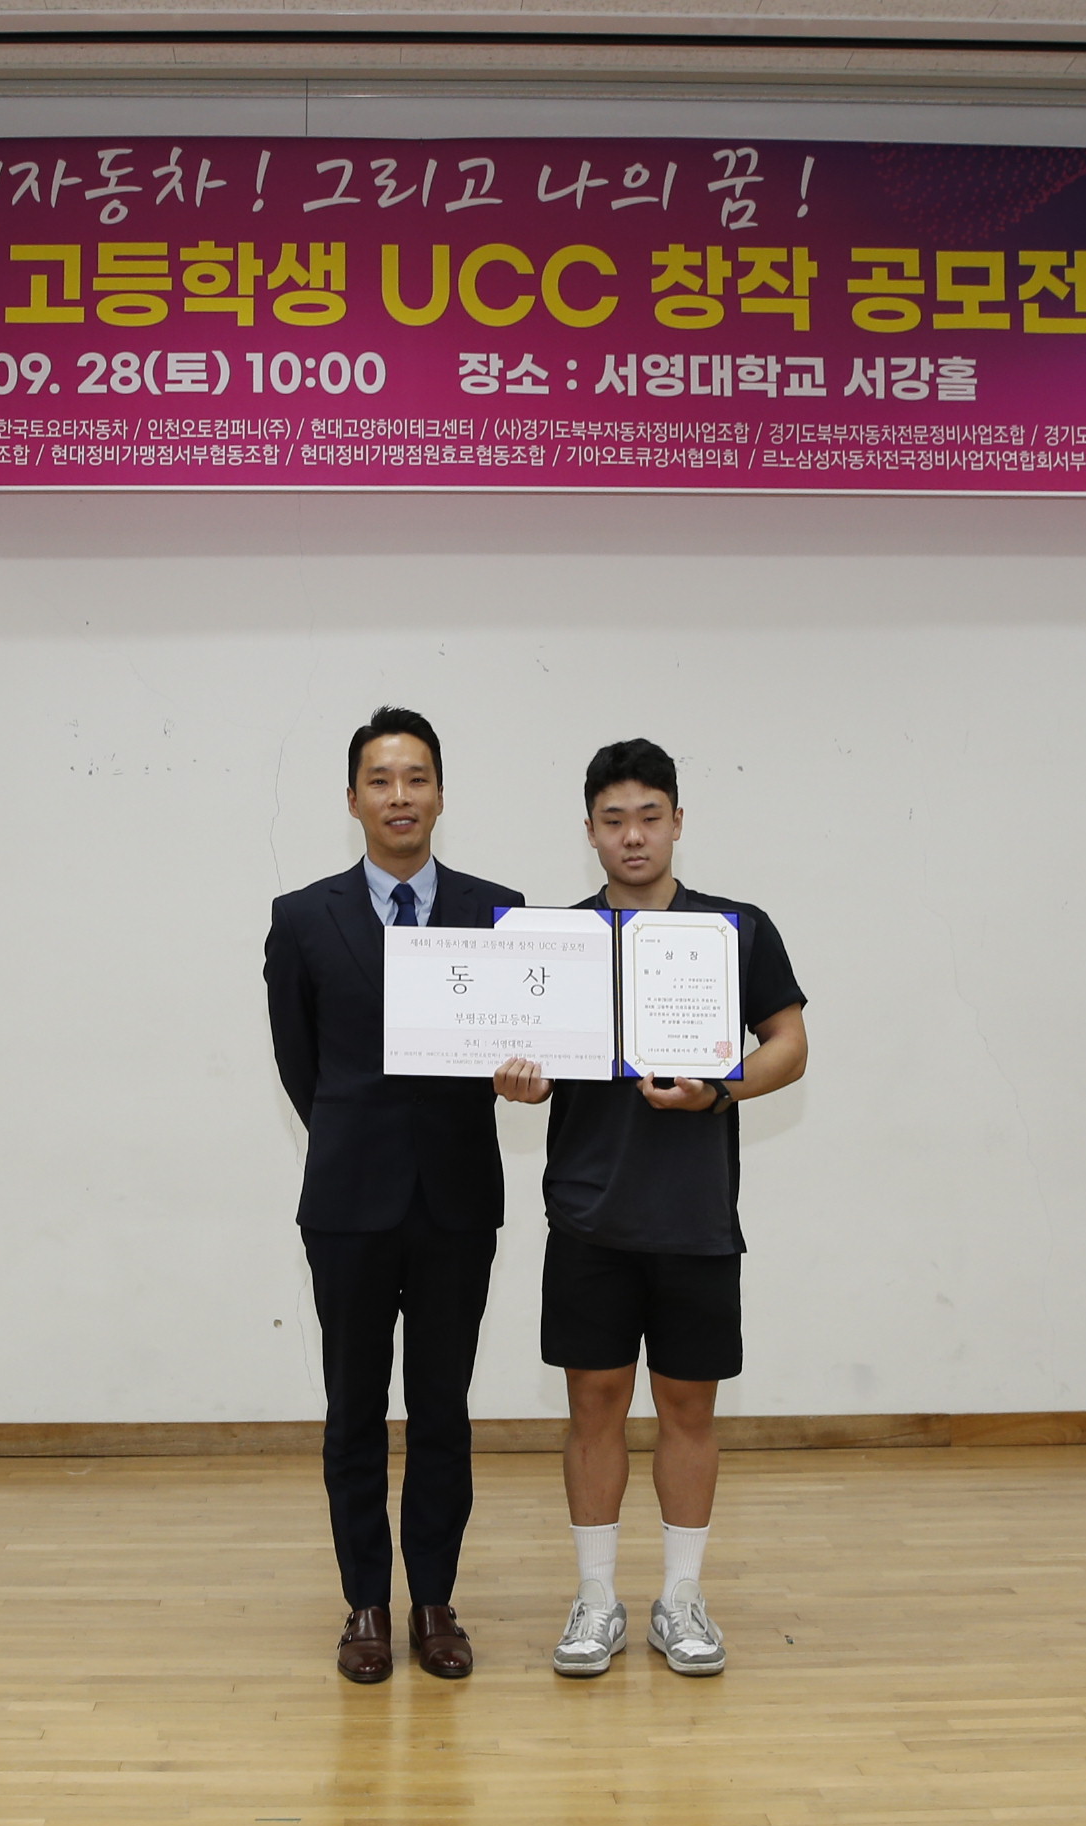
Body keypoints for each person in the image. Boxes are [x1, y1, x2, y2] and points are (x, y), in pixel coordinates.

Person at [492, 738, 805, 1678]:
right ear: (589, 831)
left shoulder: (734, 930)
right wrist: (521, 1081)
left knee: (688, 1410)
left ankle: (681, 1600)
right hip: (589, 1216)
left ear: (677, 822)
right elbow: (524, 1056)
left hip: (695, 1218)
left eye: (649, 817)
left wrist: (720, 1089)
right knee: (593, 1407)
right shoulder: (555, 943)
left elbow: (789, 1041)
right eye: (614, 820)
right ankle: (596, 1601)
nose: (633, 836)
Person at [263, 709, 528, 1684]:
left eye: (417, 777)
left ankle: (435, 1603)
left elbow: (522, 1035)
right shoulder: (303, 917)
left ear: (441, 794)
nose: (400, 796)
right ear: (352, 799)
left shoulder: (499, 914)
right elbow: (301, 1064)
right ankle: (366, 1604)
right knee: (354, 1410)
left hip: (457, 1199)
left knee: (444, 1410)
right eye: (381, 780)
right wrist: (357, 1133)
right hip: (348, 1203)